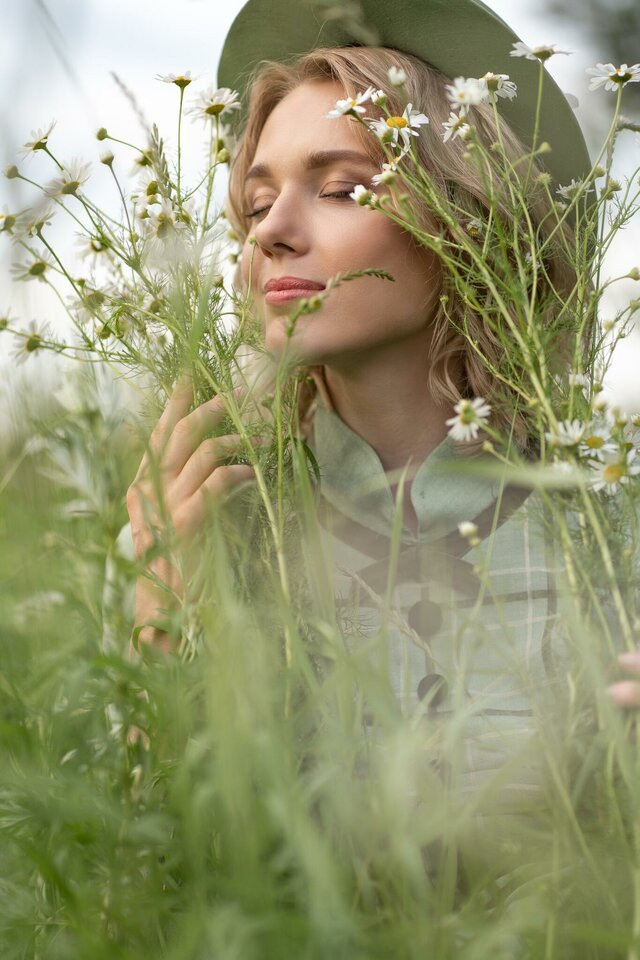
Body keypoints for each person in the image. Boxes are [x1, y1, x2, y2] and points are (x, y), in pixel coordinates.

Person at [121, 0, 638, 805]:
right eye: (255, 205)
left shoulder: (607, 532)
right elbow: (137, 858)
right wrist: (161, 617)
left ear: (470, 220)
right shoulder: (213, 525)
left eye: (340, 189)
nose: (270, 232)